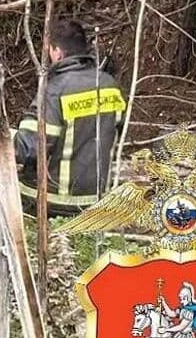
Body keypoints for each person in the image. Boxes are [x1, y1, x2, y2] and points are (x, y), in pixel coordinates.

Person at [15, 17, 127, 210]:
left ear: (57, 52)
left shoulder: (55, 90)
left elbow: (30, 149)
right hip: (99, 196)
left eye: (49, 50)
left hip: (59, 199)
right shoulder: (110, 85)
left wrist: (6, 142)